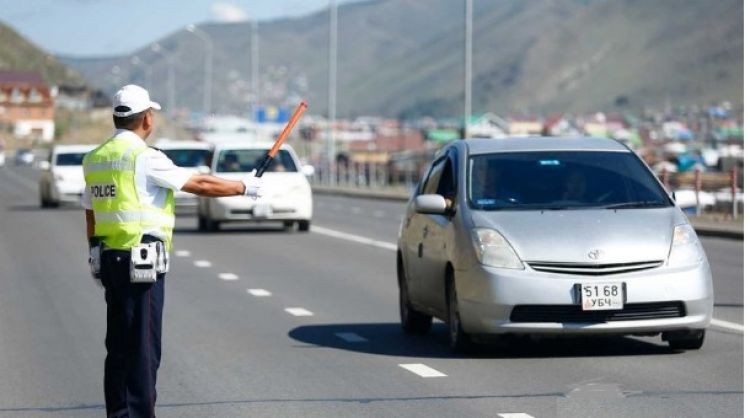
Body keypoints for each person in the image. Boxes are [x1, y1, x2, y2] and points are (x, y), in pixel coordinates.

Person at [82, 85, 264, 418]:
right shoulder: (144, 158)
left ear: (115, 117)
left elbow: (90, 209)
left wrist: (94, 250)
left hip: (109, 259)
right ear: (147, 119)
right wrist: (244, 186)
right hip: (141, 263)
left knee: (119, 347)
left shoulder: (96, 158)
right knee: (143, 350)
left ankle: (119, 413)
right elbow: (199, 184)